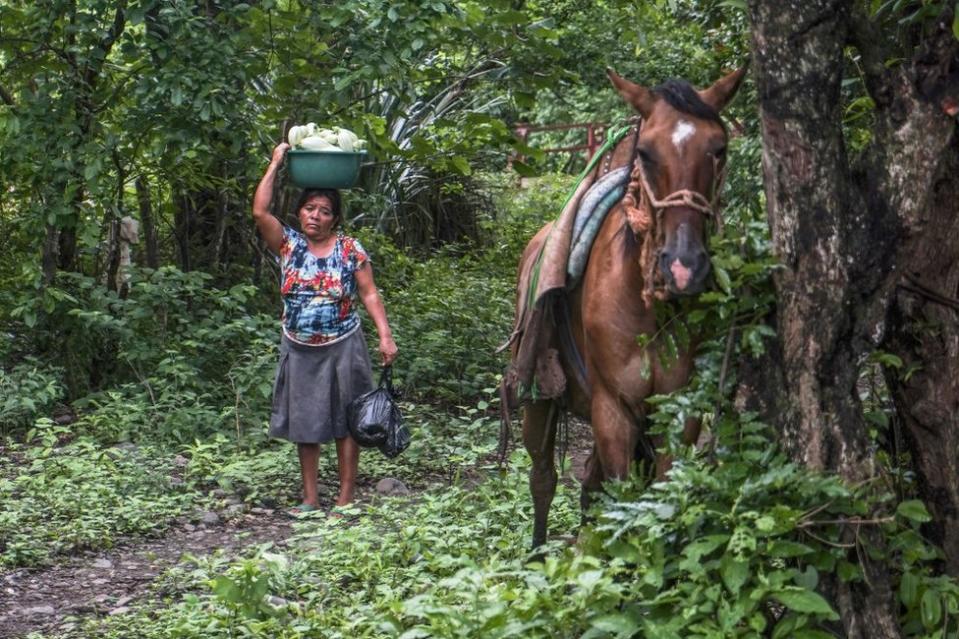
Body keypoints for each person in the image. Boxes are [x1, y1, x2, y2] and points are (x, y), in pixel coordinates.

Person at [252, 142, 398, 516]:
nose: (315, 216)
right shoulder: (289, 245)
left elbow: (369, 294)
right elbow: (259, 210)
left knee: (347, 420)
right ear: (299, 212)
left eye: (325, 211)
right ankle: (310, 499)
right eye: (309, 208)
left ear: (335, 218)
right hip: (298, 347)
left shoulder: (350, 249)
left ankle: (346, 498)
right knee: (306, 422)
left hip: (343, 344)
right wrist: (276, 163)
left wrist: (384, 334)